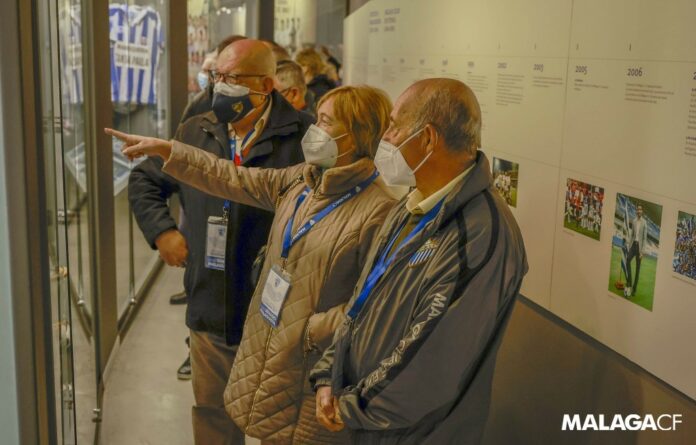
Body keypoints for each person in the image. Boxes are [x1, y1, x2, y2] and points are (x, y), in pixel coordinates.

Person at [108, 84, 398, 444]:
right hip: (272, 349)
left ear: (354, 135)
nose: (315, 130)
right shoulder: (303, 180)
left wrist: (309, 328)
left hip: (313, 366)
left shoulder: (380, 209)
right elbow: (231, 177)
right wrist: (170, 151)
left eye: (325, 121)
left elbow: (378, 304)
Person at [309, 78, 528, 444]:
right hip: (371, 426)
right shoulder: (411, 206)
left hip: (416, 433)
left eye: (395, 126)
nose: (386, 138)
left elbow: (431, 362)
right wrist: (327, 375)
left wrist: (349, 405)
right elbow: (361, 306)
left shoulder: (478, 233)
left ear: (427, 139)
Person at [126, 39, 310, 445]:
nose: (219, 86)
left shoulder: (302, 138)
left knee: (278, 424)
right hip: (209, 306)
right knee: (212, 414)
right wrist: (162, 231)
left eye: (230, 78)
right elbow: (145, 179)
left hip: (273, 315)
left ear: (265, 84)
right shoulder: (198, 128)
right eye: (216, 76)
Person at [625, 204, 648, 297]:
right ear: (636, 211)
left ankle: (634, 289)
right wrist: (629, 245)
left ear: (642, 211)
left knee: (638, 270)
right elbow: (632, 235)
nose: (639, 211)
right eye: (637, 209)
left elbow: (645, 238)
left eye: (640, 209)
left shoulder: (644, 223)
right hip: (633, 246)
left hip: (639, 248)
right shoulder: (634, 221)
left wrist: (642, 252)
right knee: (627, 261)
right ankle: (629, 283)